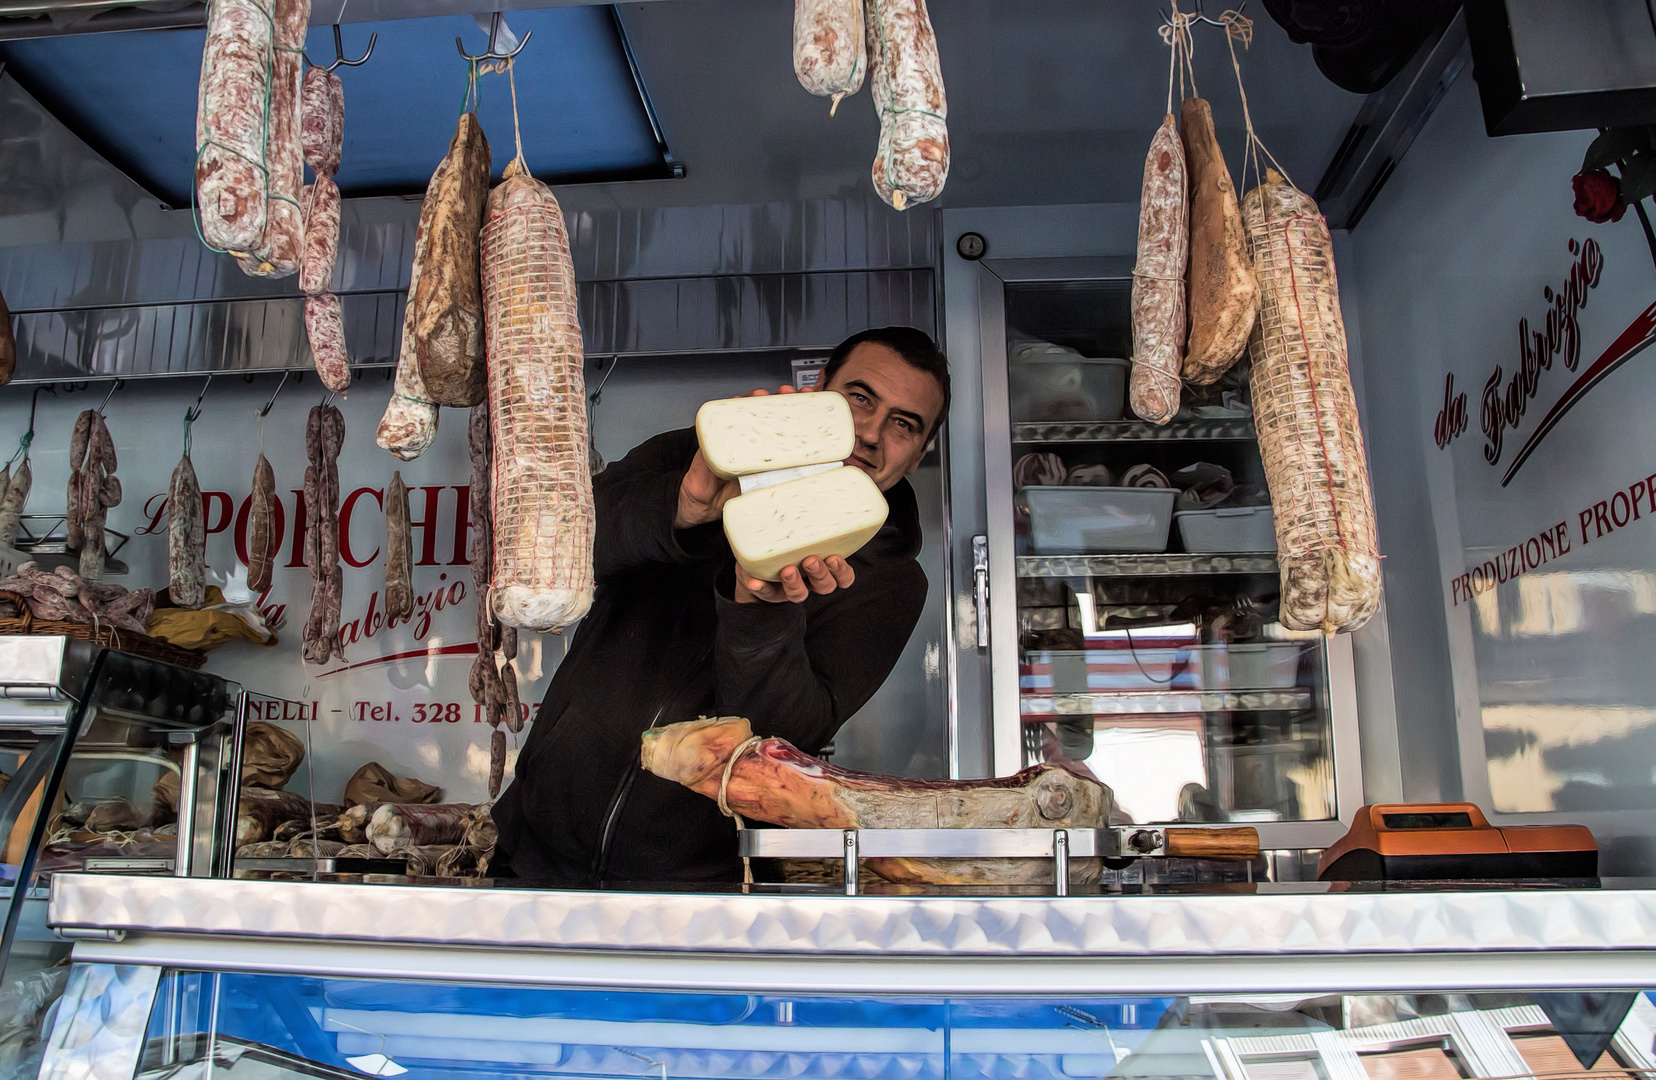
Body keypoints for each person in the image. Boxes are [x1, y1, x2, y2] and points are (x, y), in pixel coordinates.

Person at [492, 326, 950, 885]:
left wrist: (761, 604)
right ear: (820, 388)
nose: (872, 433)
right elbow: (557, 553)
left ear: (921, 453)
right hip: (532, 851)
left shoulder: (892, 584)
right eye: (860, 398)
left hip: (698, 887)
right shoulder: (692, 457)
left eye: (904, 424)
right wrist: (683, 507)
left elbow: (785, 736)